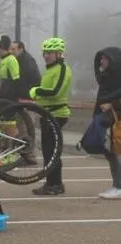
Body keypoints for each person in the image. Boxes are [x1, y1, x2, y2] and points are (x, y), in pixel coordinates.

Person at [28, 38, 72, 196]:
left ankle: (56, 184)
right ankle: (51, 183)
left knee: (52, 151)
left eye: (50, 53)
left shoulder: (62, 68)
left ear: (59, 54)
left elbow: (55, 91)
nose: (46, 56)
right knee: (47, 151)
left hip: (57, 114)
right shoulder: (50, 69)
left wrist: (36, 91)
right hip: (47, 114)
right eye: (44, 53)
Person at [94, 47, 121, 198]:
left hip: (117, 120)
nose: (101, 61)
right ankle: (117, 184)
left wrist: (112, 104)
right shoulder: (107, 78)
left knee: (115, 152)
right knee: (111, 152)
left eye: (105, 58)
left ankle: (118, 186)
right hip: (108, 119)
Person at [0, 34, 20, 101]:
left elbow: (16, 81)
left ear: (1, 46)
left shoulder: (11, 60)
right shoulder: (3, 59)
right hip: (4, 97)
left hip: (10, 100)